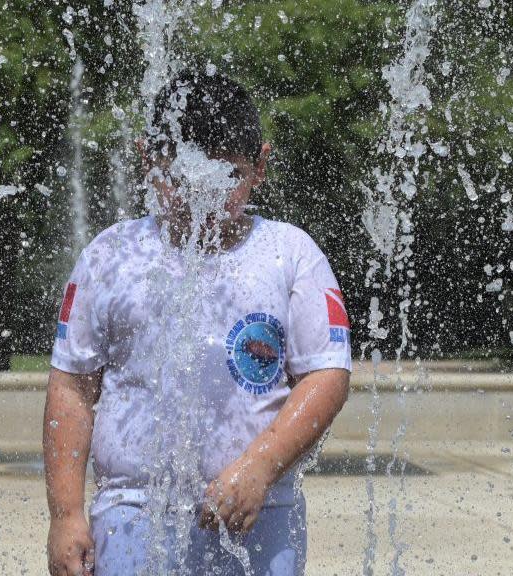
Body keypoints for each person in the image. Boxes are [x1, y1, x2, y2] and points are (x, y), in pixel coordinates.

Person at [43, 69, 352, 576]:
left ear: (260, 167)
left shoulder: (290, 255)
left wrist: (260, 467)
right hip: (131, 510)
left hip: (259, 511)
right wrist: (66, 514)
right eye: (180, 177)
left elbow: (326, 376)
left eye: (225, 178)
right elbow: (72, 388)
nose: (200, 198)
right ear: (147, 161)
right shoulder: (111, 256)